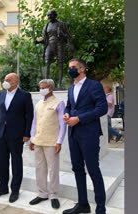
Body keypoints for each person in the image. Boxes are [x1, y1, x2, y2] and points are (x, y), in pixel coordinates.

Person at [62, 59, 108, 214]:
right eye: (69, 68)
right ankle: (83, 204)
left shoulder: (94, 85)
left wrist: (79, 118)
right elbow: (69, 105)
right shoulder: (70, 88)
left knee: (93, 169)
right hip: (73, 134)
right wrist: (67, 114)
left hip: (89, 134)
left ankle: (100, 208)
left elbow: (102, 109)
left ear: (82, 69)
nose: (70, 70)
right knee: (77, 169)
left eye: (73, 67)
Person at [0, 73, 34, 203]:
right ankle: (2, 187)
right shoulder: (0, 95)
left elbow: (29, 116)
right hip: (1, 133)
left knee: (16, 162)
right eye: (4, 79)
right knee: (1, 161)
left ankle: (15, 190)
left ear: (15, 82)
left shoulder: (25, 95)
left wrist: (27, 134)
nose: (5, 81)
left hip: (17, 134)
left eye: (8, 80)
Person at [28, 79, 66, 209]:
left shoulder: (59, 103)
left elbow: (62, 124)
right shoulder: (38, 104)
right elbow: (34, 122)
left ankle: (54, 195)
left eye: (43, 87)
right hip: (38, 141)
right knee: (40, 168)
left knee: (53, 169)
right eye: (40, 87)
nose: (41, 90)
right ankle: (42, 193)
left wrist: (59, 141)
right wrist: (32, 139)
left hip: (51, 142)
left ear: (50, 88)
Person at [35, 9, 74, 89]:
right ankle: (46, 83)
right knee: (47, 62)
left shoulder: (61, 24)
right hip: (49, 44)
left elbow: (68, 36)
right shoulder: (46, 25)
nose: (49, 17)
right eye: (48, 15)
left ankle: (59, 84)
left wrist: (69, 45)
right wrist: (38, 42)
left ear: (55, 15)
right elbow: (44, 39)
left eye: (50, 15)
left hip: (59, 44)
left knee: (60, 63)